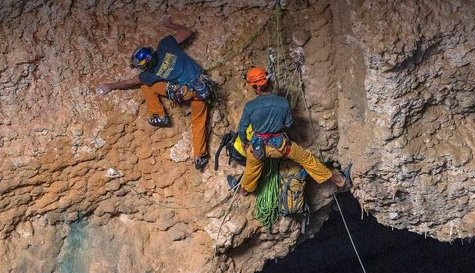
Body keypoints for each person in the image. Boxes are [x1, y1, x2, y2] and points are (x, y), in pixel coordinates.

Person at [97, 15, 212, 170]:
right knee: (199, 122)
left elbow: (129, 82)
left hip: (184, 92)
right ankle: (200, 155)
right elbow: (187, 32)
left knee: (146, 85)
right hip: (203, 86)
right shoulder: (165, 45)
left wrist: (110, 86)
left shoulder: (148, 74)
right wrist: (170, 24)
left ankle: (159, 114)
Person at [230, 66, 346, 194]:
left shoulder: (250, 107)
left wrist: (245, 143)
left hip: (259, 149)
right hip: (280, 147)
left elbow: (242, 129)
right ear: (269, 83)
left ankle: (244, 190)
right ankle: (338, 179)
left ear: (255, 87)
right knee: (306, 158)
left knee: (252, 168)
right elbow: (289, 123)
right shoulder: (283, 102)